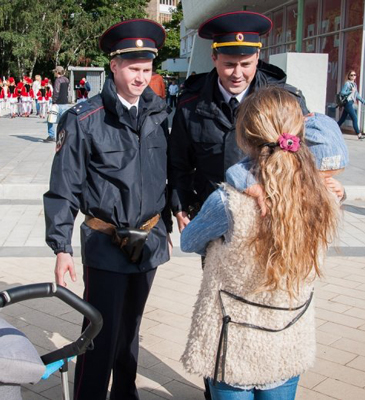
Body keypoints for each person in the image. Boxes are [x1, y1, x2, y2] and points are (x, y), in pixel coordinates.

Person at [180, 87, 340, 400]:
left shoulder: (227, 201)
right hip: (289, 333)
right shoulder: (323, 198)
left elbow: (188, 241)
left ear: (244, 137)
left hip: (234, 338)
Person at [44, 19, 170, 400]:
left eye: (146, 69)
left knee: (131, 331)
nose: (140, 77)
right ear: (113, 66)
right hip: (106, 244)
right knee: (99, 332)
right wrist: (61, 247)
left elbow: (174, 171)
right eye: (133, 68)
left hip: (149, 240)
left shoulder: (161, 113)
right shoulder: (84, 119)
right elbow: (63, 187)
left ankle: (125, 394)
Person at [169, 11, 308, 234]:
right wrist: (180, 205)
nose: (237, 73)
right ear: (214, 58)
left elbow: (309, 153)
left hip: (270, 220)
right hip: (215, 217)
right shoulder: (191, 104)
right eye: (229, 64)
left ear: (258, 57)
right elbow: (179, 163)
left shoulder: (283, 101)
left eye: (246, 64)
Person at [337, 70, 365, 140]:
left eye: (354, 75)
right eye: (351, 75)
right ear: (349, 76)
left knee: (342, 119)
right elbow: (342, 93)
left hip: (350, 103)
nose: (353, 76)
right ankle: (359, 134)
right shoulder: (347, 84)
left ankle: (333, 129)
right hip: (348, 103)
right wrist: (350, 91)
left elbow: (357, 95)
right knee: (354, 118)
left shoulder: (354, 85)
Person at [45, 66, 71, 142]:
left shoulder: (58, 80)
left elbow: (56, 92)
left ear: (58, 72)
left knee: (50, 119)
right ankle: (64, 136)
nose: (54, 73)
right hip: (65, 102)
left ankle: (51, 135)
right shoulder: (66, 79)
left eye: (55, 72)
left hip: (57, 103)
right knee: (63, 121)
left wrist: (53, 101)